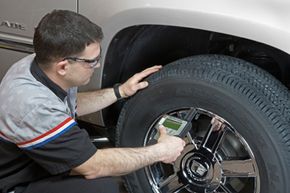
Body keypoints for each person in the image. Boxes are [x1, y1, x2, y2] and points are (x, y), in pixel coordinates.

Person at [0, 10, 185, 193]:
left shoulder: (40, 65)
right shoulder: (33, 105)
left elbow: (70, 104)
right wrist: (160, 151)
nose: (97, 66)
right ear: (63, 66)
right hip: (17, 182)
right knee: (113, 187)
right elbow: (93, 167)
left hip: (41, 161)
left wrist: (120, 91)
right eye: (91, 61)